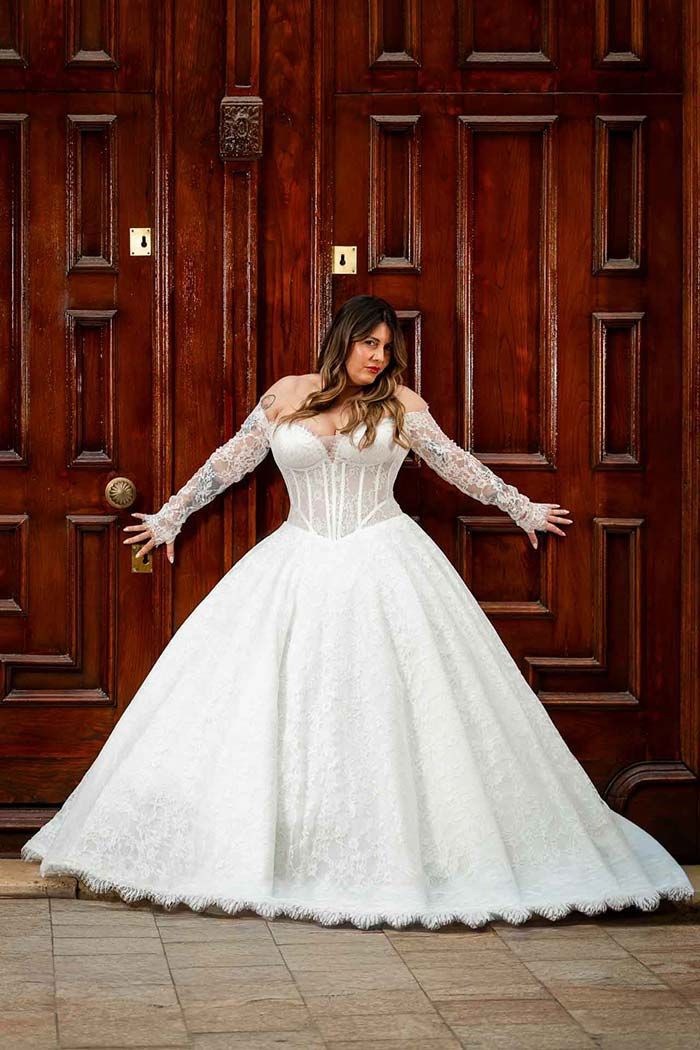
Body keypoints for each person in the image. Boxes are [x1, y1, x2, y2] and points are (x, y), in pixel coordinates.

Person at [21, 294, 693, 930]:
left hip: (385, 560)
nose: (378, 356)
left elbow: (457, 465)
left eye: (386, 347)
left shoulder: (400, 404)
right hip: (297, 558)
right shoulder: (287, 395)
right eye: (369, 342)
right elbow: (231, 461)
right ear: (341, 340)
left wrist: (521, 507)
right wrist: (170, 517)